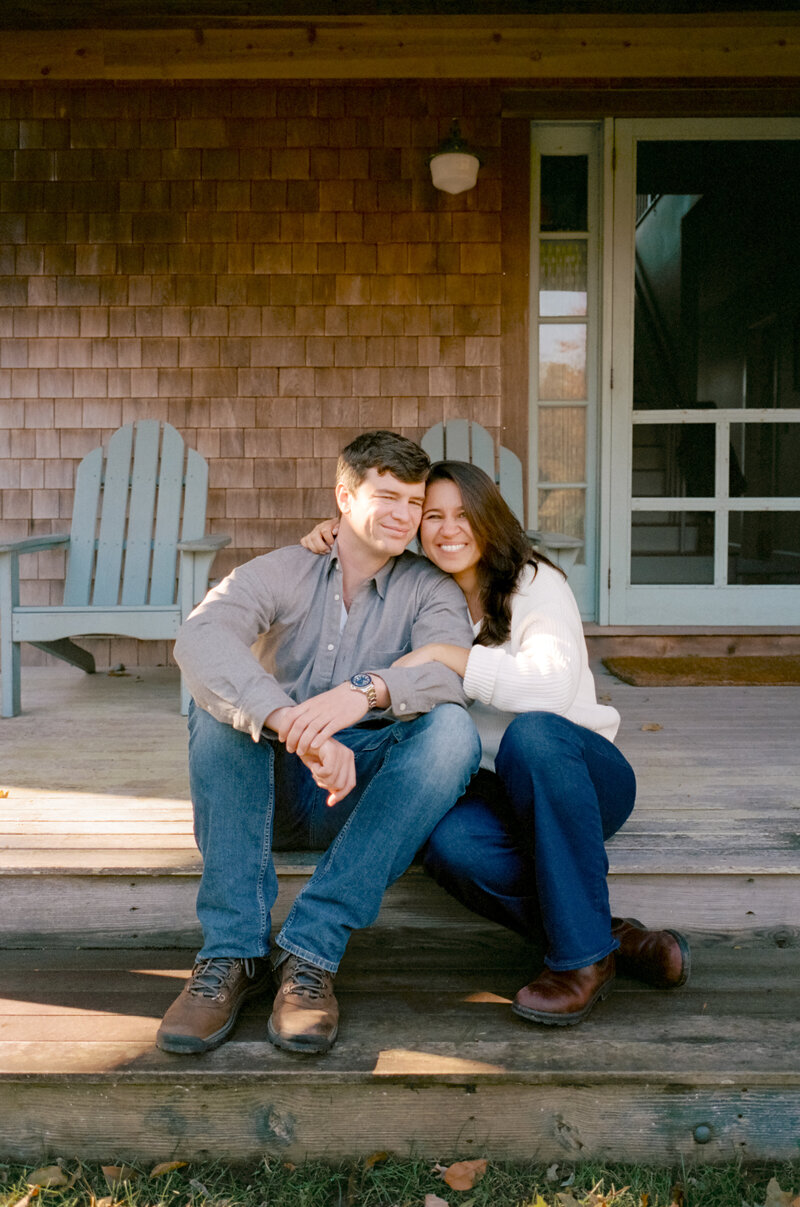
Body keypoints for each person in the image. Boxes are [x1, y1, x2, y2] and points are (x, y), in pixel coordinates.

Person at [302, 459, 690, 1026]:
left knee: (532, 734)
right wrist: (336, 535)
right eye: (433, 516)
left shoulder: (534, 583)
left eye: (463, 514)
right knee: (450, 845)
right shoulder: (422, 591)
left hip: (574, 774)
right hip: (490, 791)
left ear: (489, 517)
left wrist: (446, 655)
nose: (448, 530)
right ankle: (613, 942)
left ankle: (579, 964)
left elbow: (550, 691)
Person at [156, 432, 480, 1057]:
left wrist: (365, 693)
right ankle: (231, 954)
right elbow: (201, 635)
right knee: (217, 708)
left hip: (363, 800)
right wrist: (286, 721)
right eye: (387, 497)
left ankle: (310, 951)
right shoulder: (284, 569)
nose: (404, 515)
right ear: (344, 497)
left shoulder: (429, 589)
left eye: (414, 502)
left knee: (452, 733)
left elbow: (451, 674)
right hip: (264, 793)